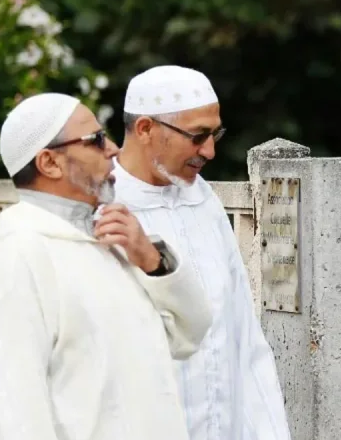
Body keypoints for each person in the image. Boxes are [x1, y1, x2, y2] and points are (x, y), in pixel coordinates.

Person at [0, 93, 213, 440]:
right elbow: (13, 406)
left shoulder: (106, 242)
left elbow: (190, 334)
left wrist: (154, 261)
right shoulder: (18, 251)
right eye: (96, 140)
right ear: (49, 163)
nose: (113, 148)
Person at [113, 65, 291, 440]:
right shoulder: (100, 210)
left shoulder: (203, 201)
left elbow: (242, 334)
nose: (209, 151)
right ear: (145, 129)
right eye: (198, 136)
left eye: (215, 134)